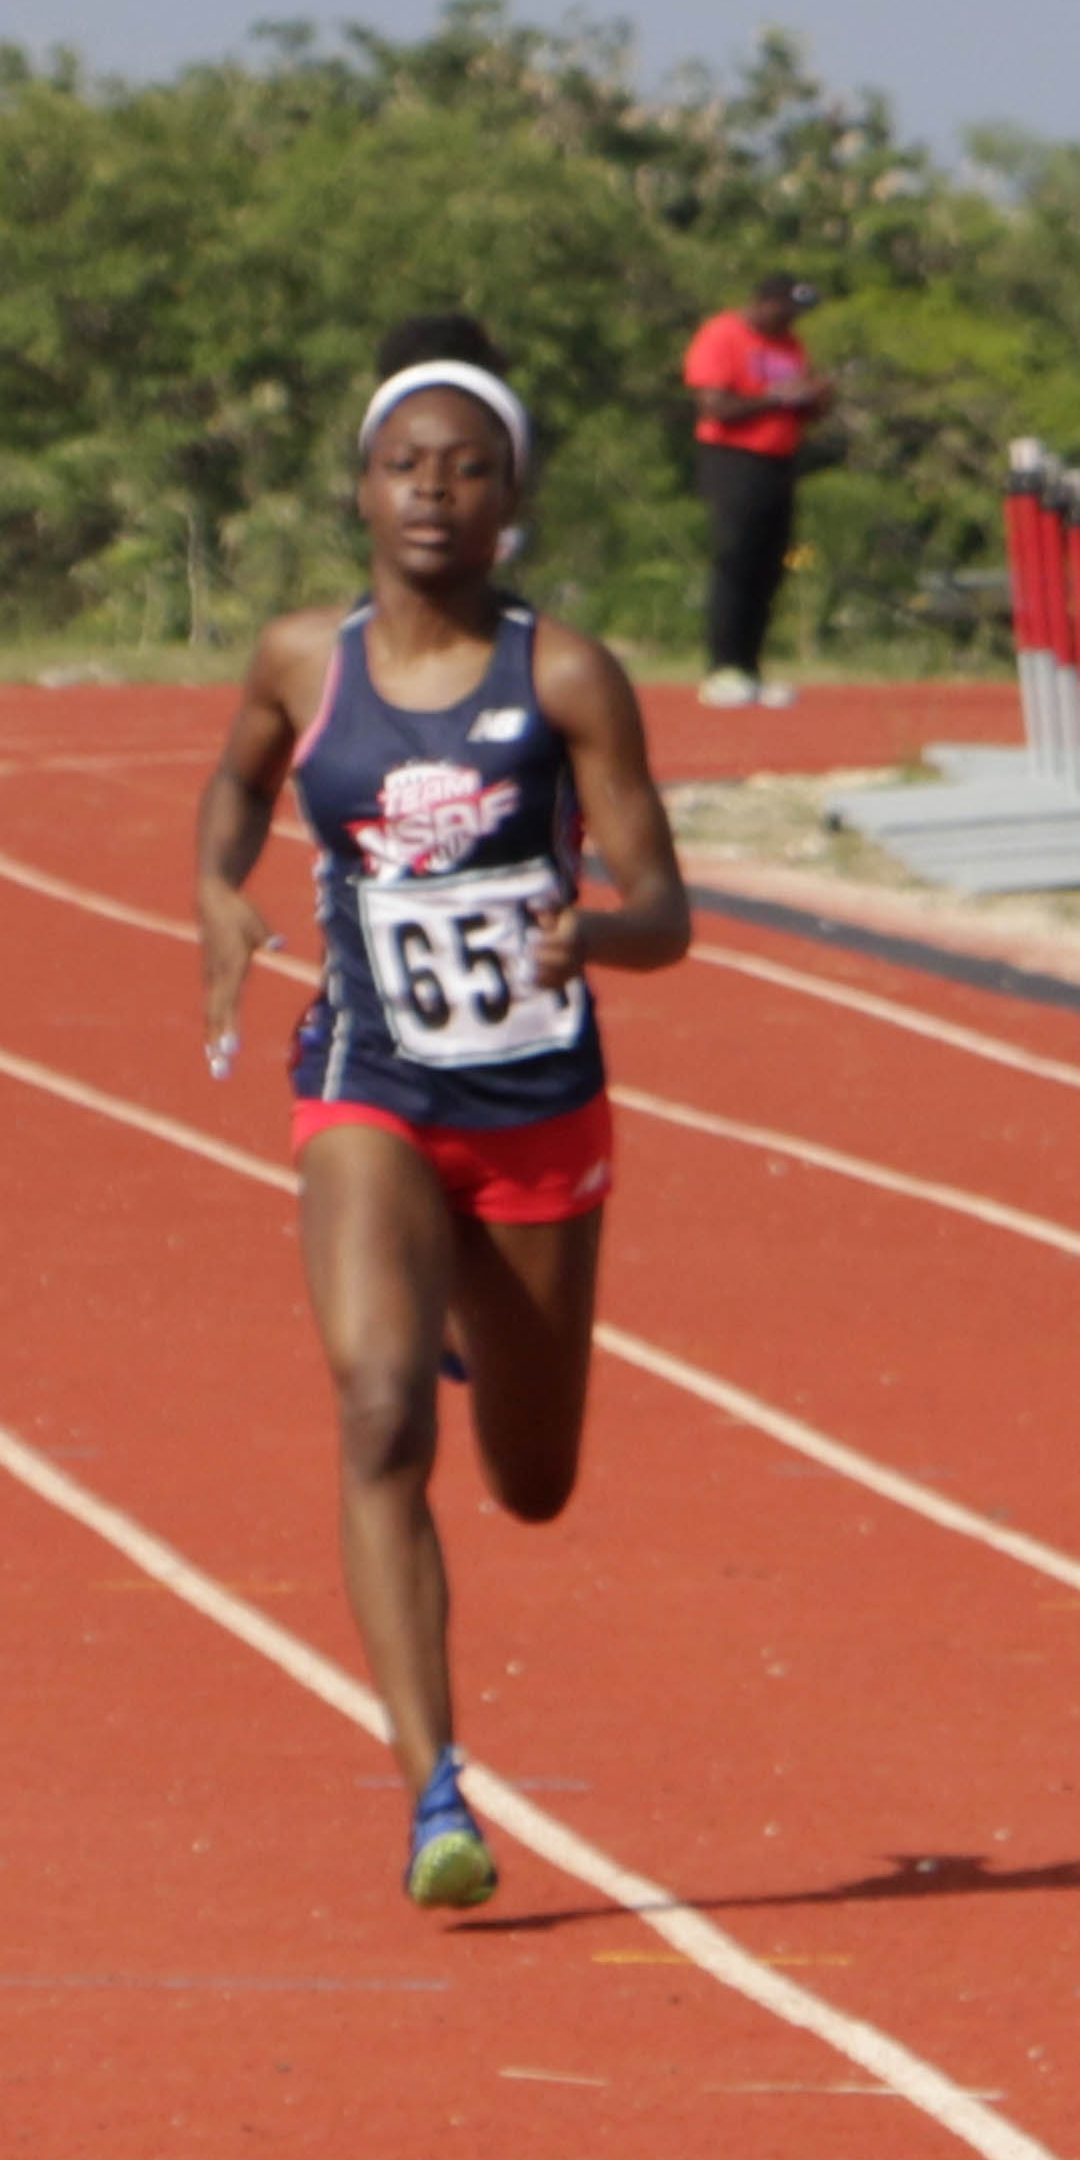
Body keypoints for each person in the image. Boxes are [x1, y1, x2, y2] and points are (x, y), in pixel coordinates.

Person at [194, 316, 694, 1909]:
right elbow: (238, 784)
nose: (434, 495)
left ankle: (479, 1294)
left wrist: (597, 931)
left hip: (537, 1101)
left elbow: (666, 902)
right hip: (371, 1074)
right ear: (361, 489)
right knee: (376, 1413)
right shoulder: (299, 659)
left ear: (510, 503)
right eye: (407, 465)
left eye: (468, 472)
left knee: (532, 1483)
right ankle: (434, 1794)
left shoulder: (563, 675)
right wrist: (215, 888)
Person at [680, 272, 829, 708]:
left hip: (779, 461)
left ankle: (749, 667)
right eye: (787, 309)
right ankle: (721, 667)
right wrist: (778, 397)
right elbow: (715, 405)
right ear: (764, 302)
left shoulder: (791, 346)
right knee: (736, 559)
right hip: (733, 459)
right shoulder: (722, 335)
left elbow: (801, 409)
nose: (793, 320)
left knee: (769, 564)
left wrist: (814, 398)